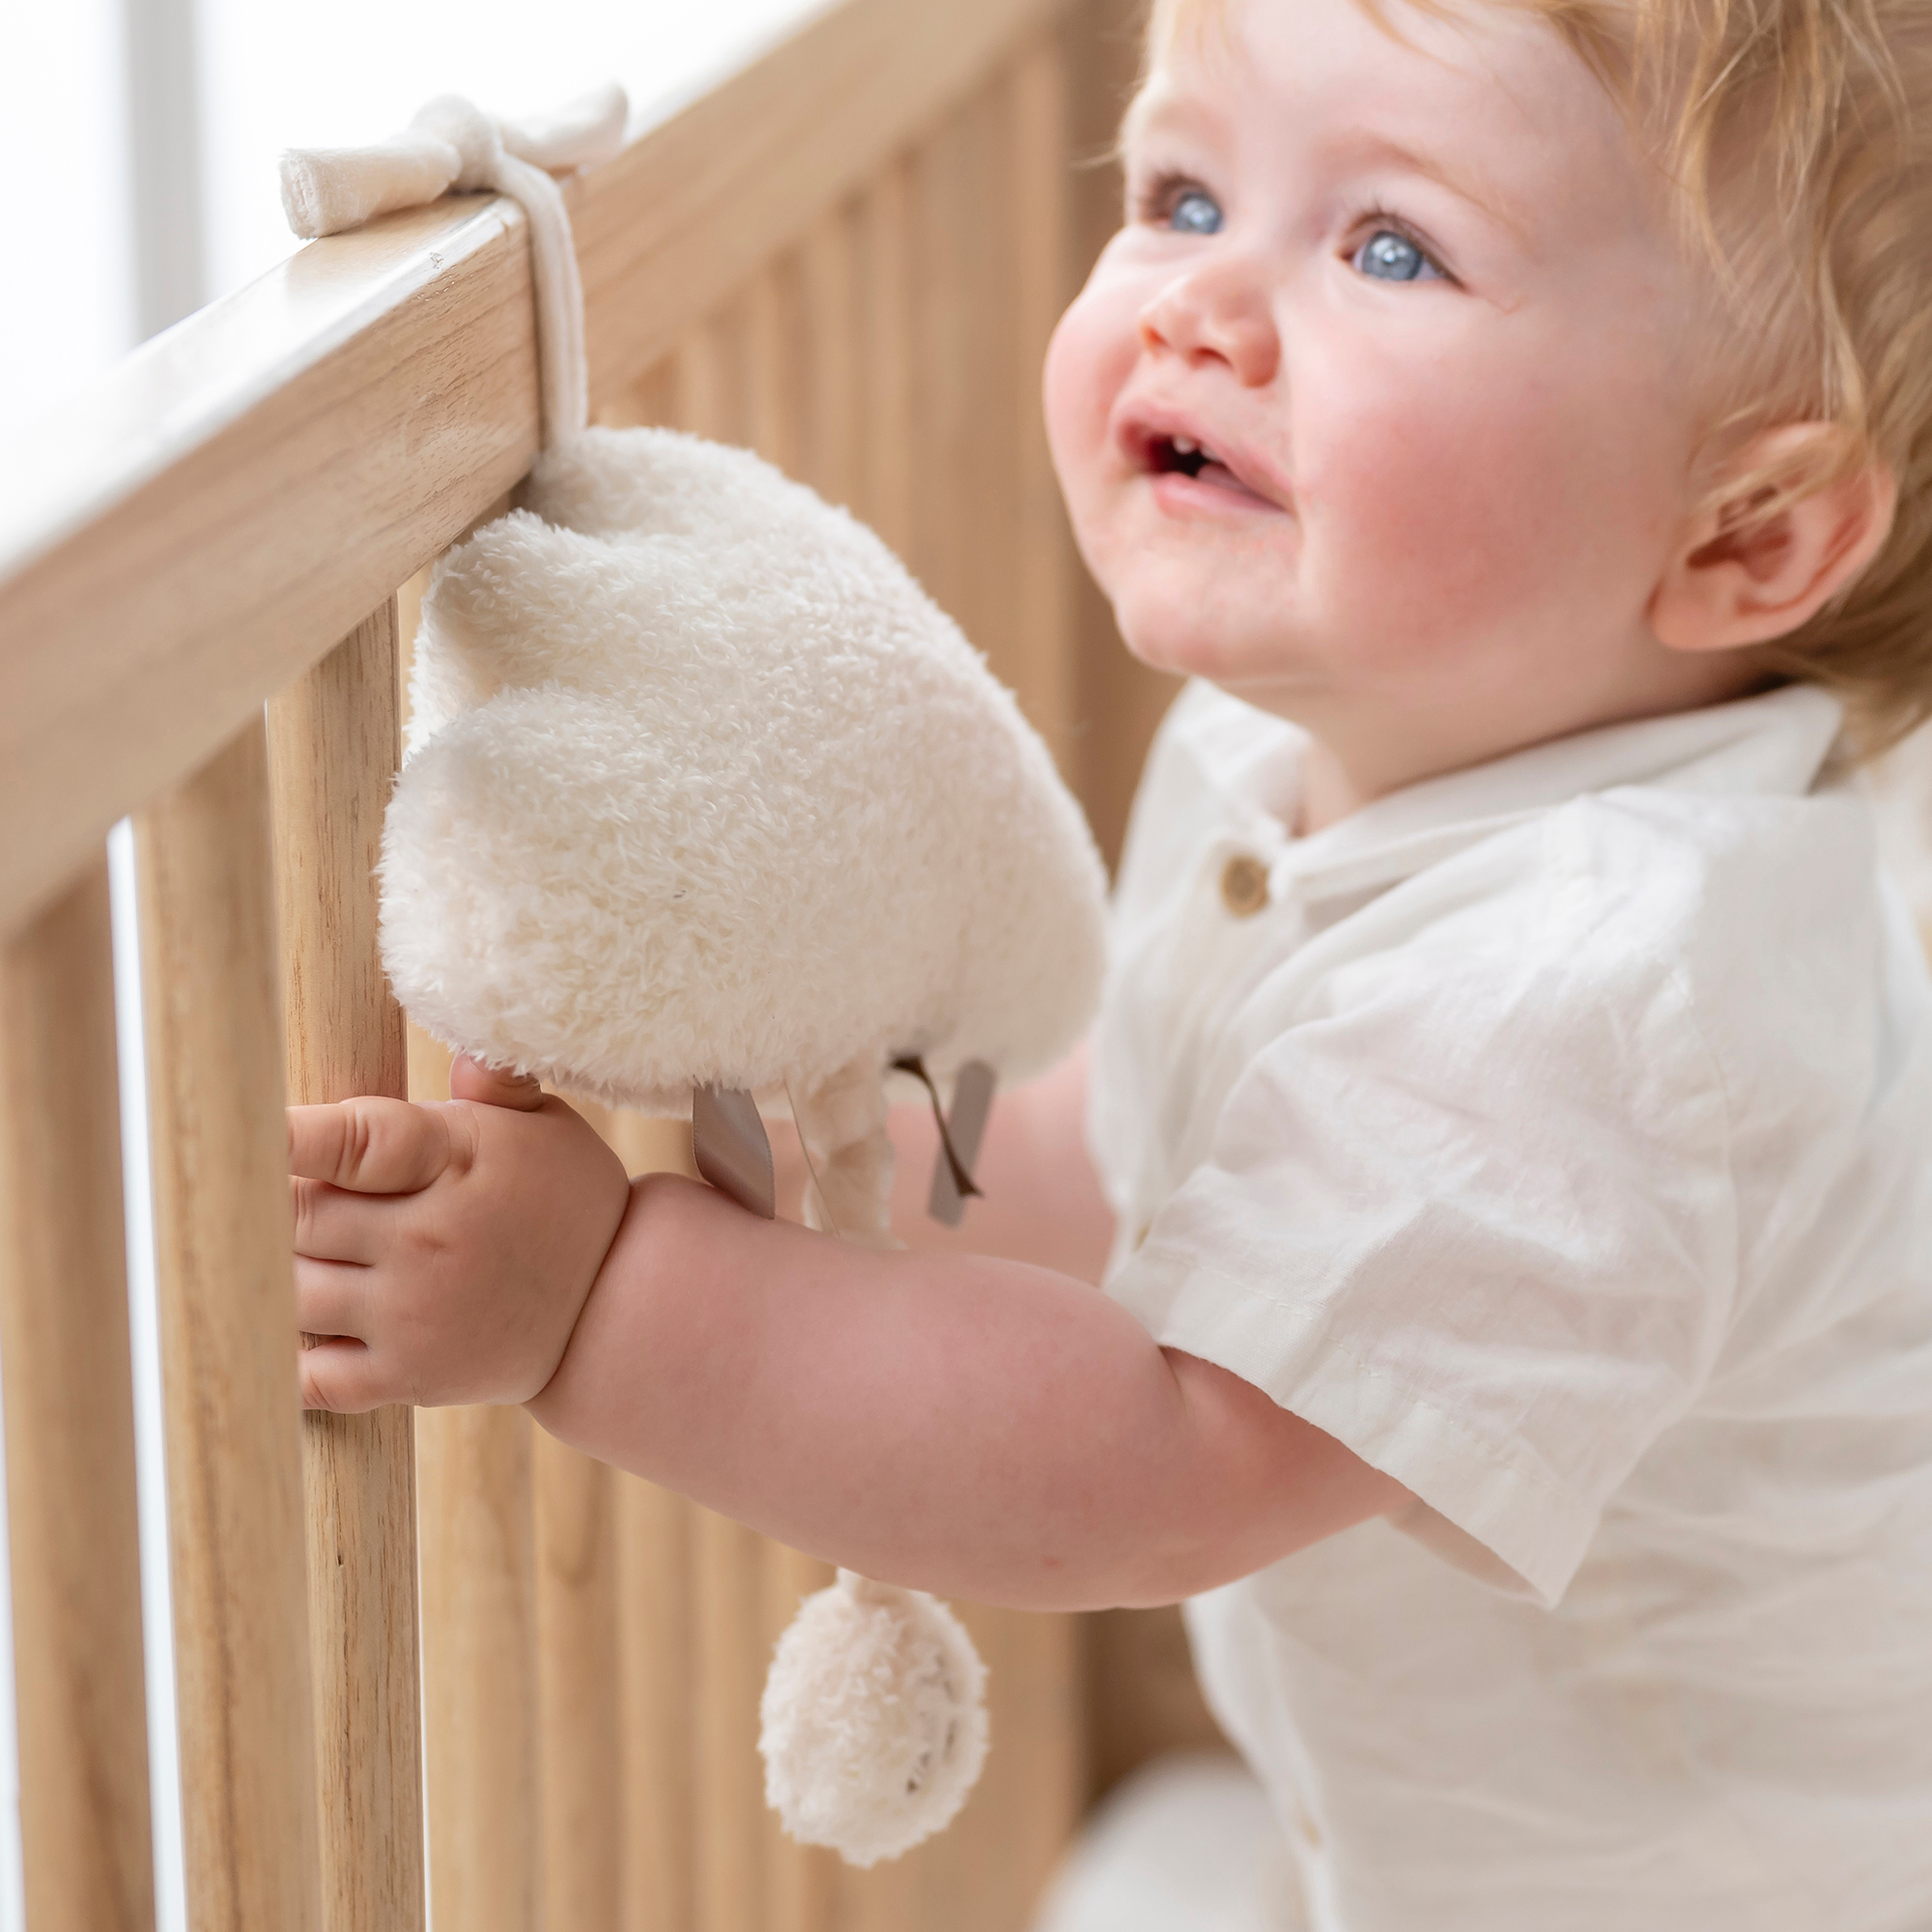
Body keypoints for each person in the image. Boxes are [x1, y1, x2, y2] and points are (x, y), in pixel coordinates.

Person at [286, 0, 1932, 1920]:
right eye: (1177, 192)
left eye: (1388, 244)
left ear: (1743, 537)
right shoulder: (1286, 755)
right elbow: (1144, 1144)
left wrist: (603, 1303)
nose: (1202, 307)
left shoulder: (1594, 990)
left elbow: (1161, 1452)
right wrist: (824, 1145)